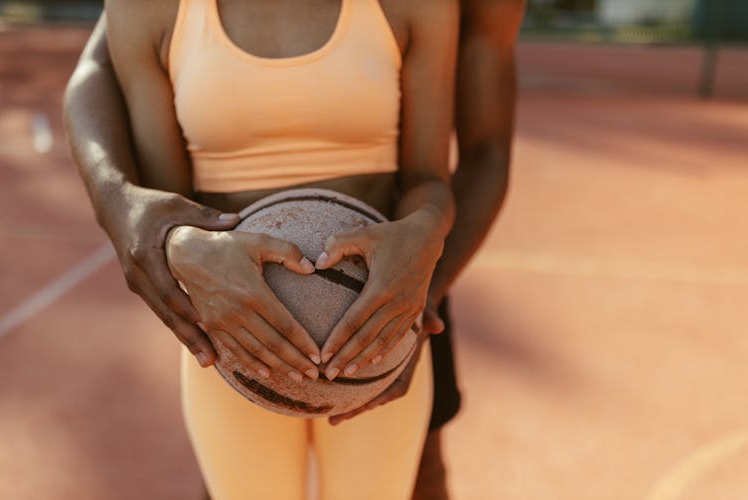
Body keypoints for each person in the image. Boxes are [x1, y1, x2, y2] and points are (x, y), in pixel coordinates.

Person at [64, 1, 526, 498]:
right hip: (235, 327)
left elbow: (451, 170)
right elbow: (167, 195)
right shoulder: (149, 11)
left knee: (420, 481)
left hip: (382, 306)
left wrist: (427, 243)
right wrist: (170, 238)